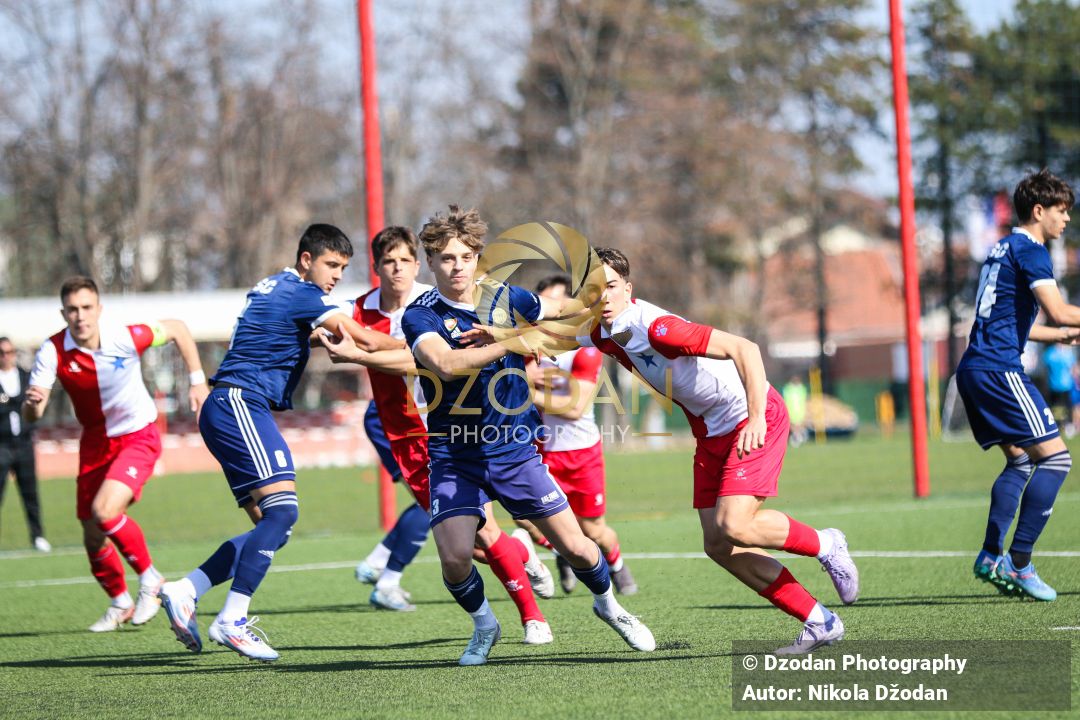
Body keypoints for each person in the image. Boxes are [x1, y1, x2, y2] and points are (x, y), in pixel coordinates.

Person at [398, 205, 654, 666]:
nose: (457, 267)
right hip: (455, 453)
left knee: (577, 546)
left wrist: (604, 295)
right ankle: (484, 626)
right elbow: (447, 365)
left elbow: (563, 308)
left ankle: (610, 606)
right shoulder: (421, 315)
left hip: (514, 451)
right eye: (446, 258)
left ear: (478, 257)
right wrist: (513, 340)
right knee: (455, 558)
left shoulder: (506, 297)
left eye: (465, 256)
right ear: (431, 263)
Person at [580, 247, 856, 655]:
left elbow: (745, 348)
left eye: (612, 286)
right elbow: (549, 327)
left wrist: (758, 416)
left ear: (628, 289)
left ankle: (826, 543)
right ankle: (820, 621)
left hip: (751, 415)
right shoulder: (602, 333)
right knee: (718, 545)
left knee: (736, 525)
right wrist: (496, 336)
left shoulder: (659, 328)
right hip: (711, 431)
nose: (603, 296)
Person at [158, 224, 403, 663]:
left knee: (272, 527)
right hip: (240, 403)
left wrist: (313, 336)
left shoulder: (274, 285)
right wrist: (421, 349)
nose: (335, 276)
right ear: (306, 260)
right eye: (331, 265)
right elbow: (364, 338)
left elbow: (283, 332)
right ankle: (232, 620)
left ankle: (185, 589)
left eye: (343, 268)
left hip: (228, 406)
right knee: (284, 511)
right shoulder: (304, 294)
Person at [320, 225, 555, 643]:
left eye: (405, 261)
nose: (397, 270)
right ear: (376, 267)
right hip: (399, 433)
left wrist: (360, 352)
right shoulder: (358, 309)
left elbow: (421, 362)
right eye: (388, 262)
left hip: (441, 430)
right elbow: (323, 323)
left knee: (479, 532)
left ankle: (530, 615)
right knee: (469, 541)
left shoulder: (431, 306)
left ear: (419, 265)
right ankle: (521, 557)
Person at [21, 277, 208, 631]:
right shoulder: (52, 351)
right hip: (94, 443)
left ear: (99, 309)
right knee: (92, 535)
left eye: (87, 308)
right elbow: (35, 413)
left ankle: (151, 579)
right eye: (73, 309)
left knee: (105, 511)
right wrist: (31, 404)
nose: (80, 316)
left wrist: (198, 380)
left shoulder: (125, 336)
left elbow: (179, 329)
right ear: (64, 313)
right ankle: (120, 600)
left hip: (138, 436)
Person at [957, 169, 1079, 602]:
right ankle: (1020, 562)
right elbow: (1061, 311)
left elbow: (1011, 325)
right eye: (1062, 212)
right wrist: (1066, 325)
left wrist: (1061, 335)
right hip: (998, 370)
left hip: (974, 368)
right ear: (1039, 210)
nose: (1066, 221)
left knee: (1021, 462)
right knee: (1057, 460)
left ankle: (991, 555)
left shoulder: (1000, 248)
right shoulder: (1031, 250)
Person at [518, 274, 638, 596]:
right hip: (542, 453)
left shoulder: (584, 349)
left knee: (593, 529)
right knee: (525, 519)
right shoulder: (527, 349)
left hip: (581, 453)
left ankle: (617, 565)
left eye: (557, 304)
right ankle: (562, 551)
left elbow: (573, 408)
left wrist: (522, 389)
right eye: (543, 306)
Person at [354, 399, 431, 612]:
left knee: (434, 499)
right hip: (397, 416)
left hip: (404, 415)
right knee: (434, 499)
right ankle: (386, 584)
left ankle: (375, 564)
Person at [0, 336, 49, 552]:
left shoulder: (24, 375)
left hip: (24, 444)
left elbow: (33, 403)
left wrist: (9, 401)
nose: (6, 357)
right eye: (2, 353)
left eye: (9, 352)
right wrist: (12, 402)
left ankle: (37, 536)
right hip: (1, 445)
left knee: (30, 492)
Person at [781, 375, 809, 446]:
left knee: (797, 425)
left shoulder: (800, 389)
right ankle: (797, 436)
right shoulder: (789, 389)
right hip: (793, 410)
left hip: (798, 410)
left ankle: (798, 436)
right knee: (793, 425)